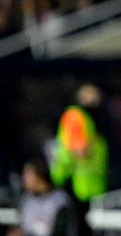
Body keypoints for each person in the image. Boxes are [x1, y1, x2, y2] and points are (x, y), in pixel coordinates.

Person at [48, 84, 107, 226]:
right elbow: (80, 151)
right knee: (77, 224)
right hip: (73, 180)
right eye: (93, 95)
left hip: (87, 184)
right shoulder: (76, 116)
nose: (97, 99)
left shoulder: (88, 117)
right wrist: (94, 145)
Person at [11, 160, 79, 236]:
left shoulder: (59, 201)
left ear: (39, 177)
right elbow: (24, 228)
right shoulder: (26, 199)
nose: (23, 178)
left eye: (27, 174)